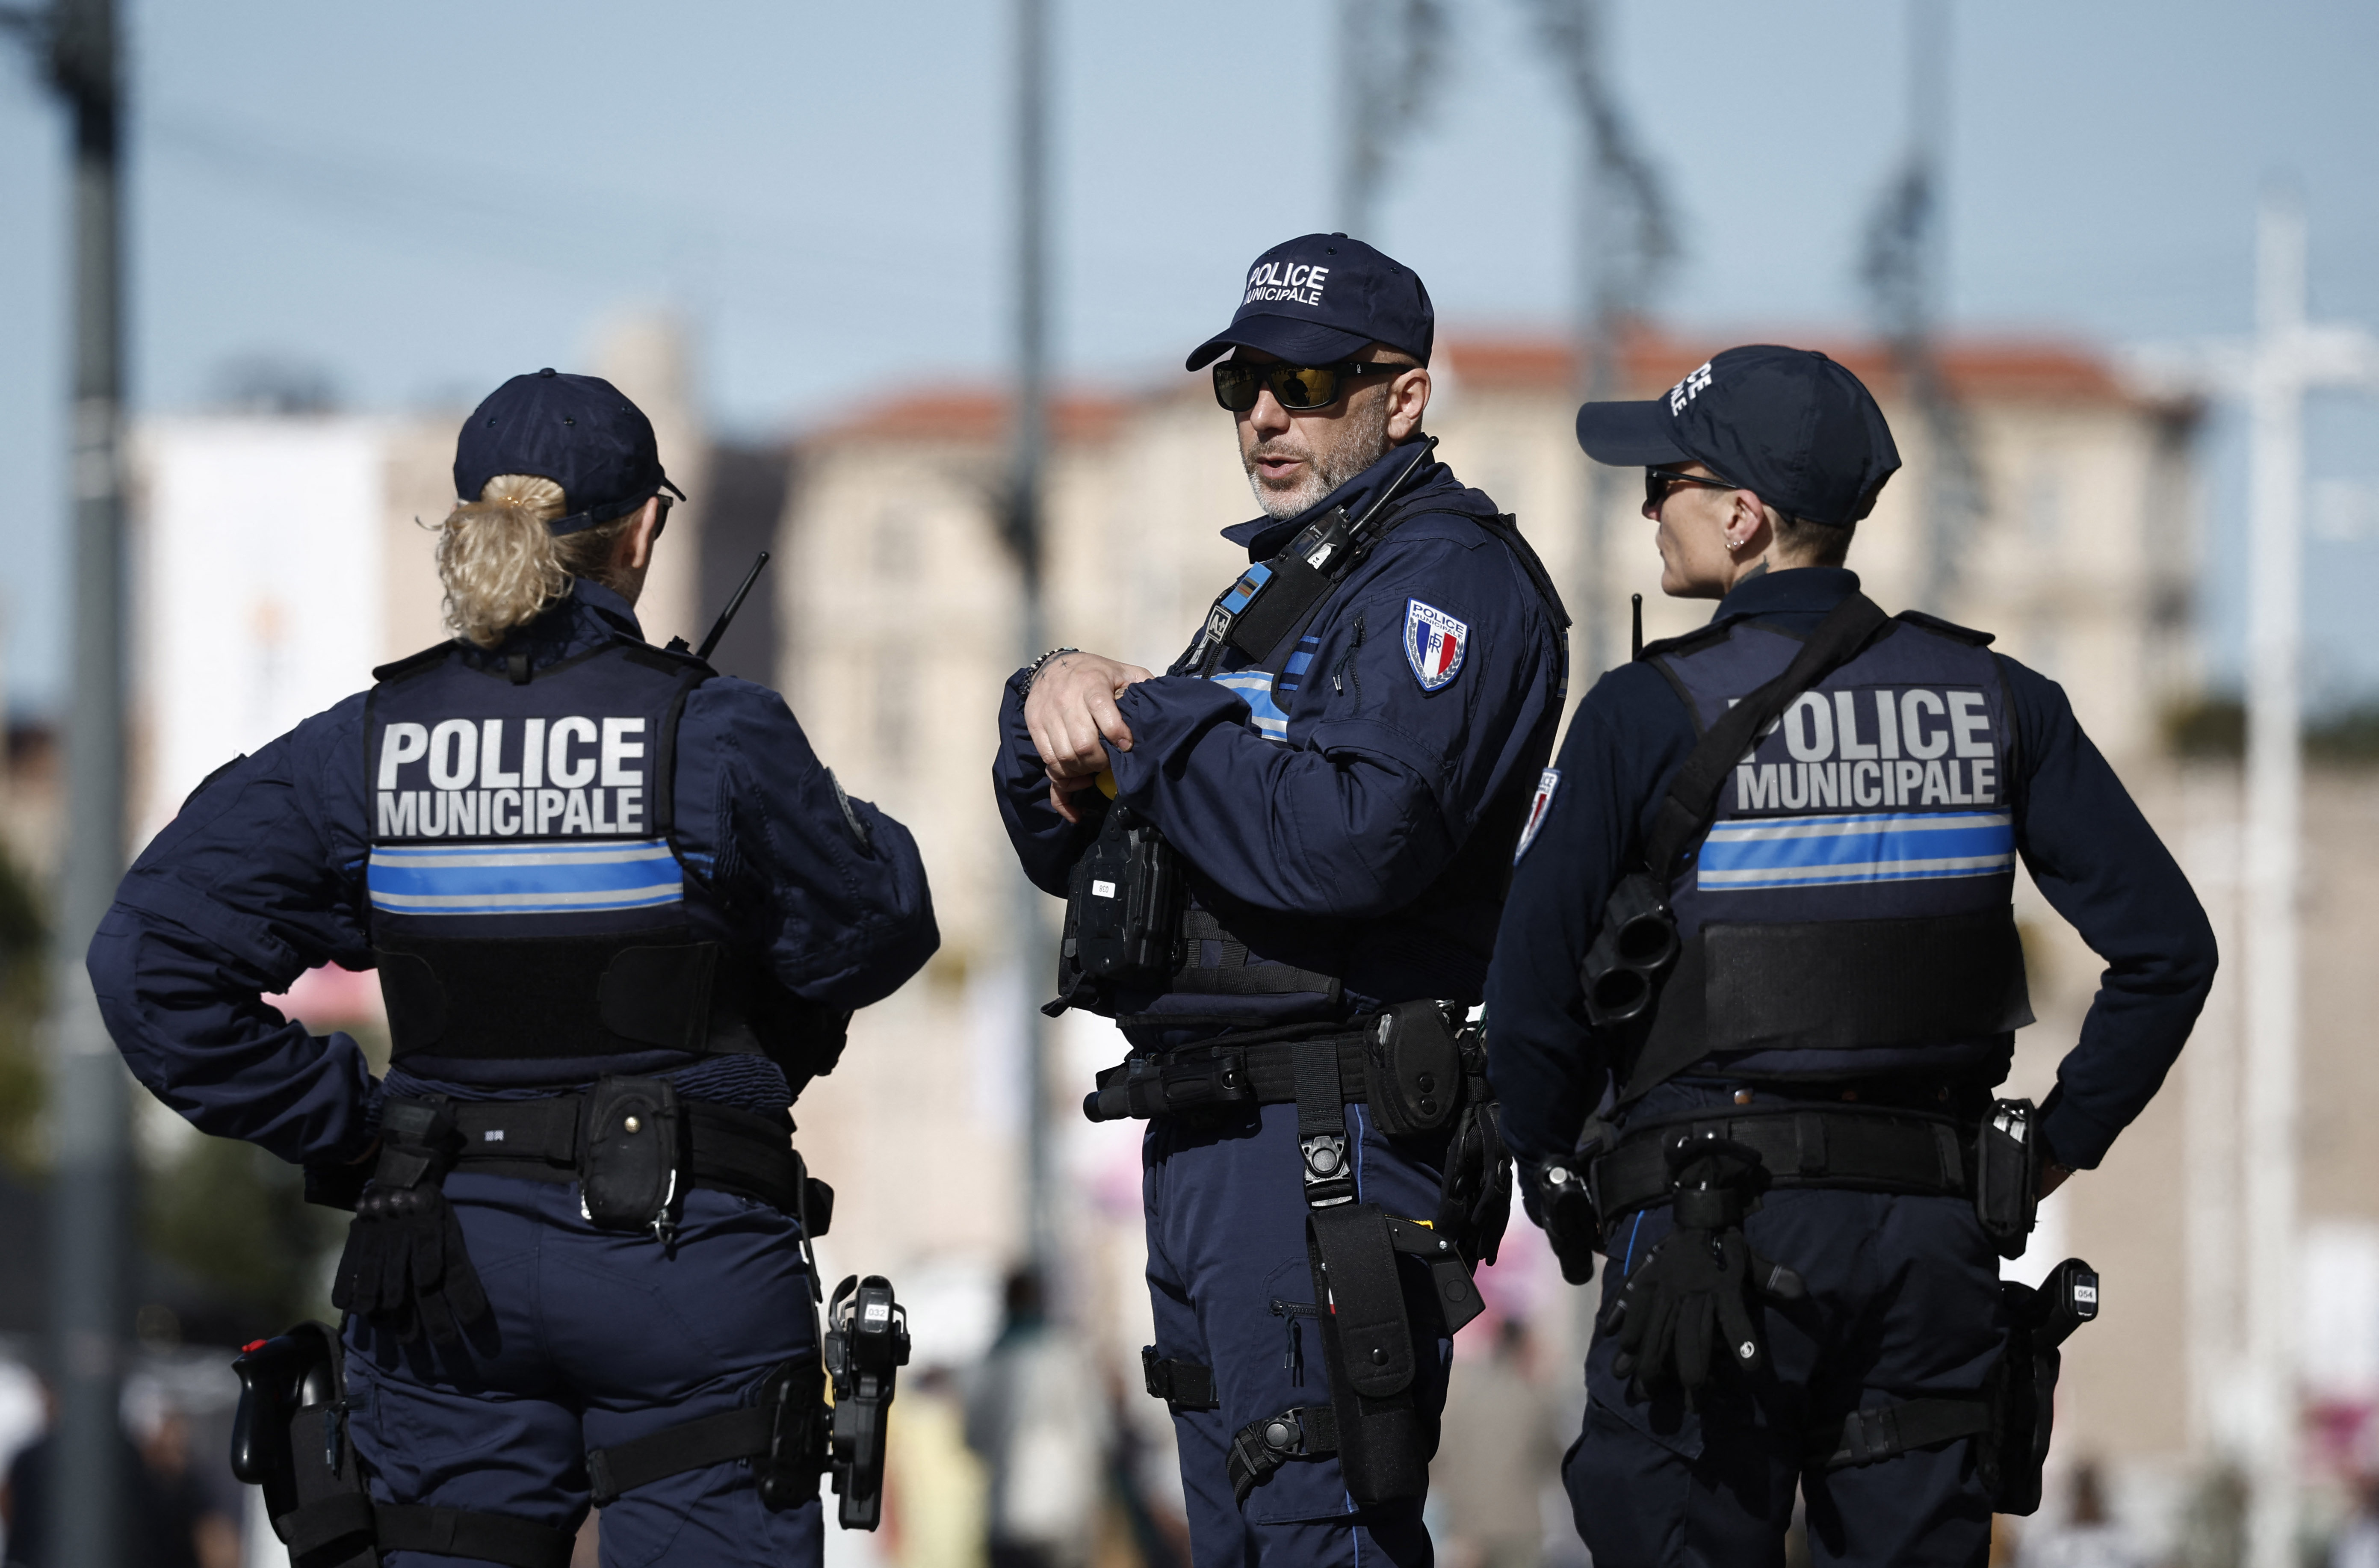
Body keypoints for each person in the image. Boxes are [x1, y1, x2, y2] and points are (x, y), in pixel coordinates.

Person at [89, 369, 938, 1567]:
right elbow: (874, 930)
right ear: (644, 528)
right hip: (686, 1260)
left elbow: (146, 959)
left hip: (440, 1263)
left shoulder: (365, 747)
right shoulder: (717, 731)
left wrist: (350, 1128)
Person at [1483, 345, 2217, 1567]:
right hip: (1930, 1246)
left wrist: (1553, 1167)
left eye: (1664, 477)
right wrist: (2051, 1145)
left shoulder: (1642, 711)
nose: (1646, 505)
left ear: (1743, 514)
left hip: (1709, 1237)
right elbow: (2168, 951)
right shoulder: (1999, 701)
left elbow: (1530, 990)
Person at [995, 233, 1569, 1567]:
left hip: (1326, 1129)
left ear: (1403, 397)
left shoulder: (1444, 576)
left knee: (1321, 1531)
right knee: (1242, 1536)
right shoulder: (1277, 588)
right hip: (1205, 1125)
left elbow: (1348, 842)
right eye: (1242, 381)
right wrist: (1048, 705)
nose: (1263, 413)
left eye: (1305, 385)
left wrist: (1152, 717)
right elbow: (1089, 851)